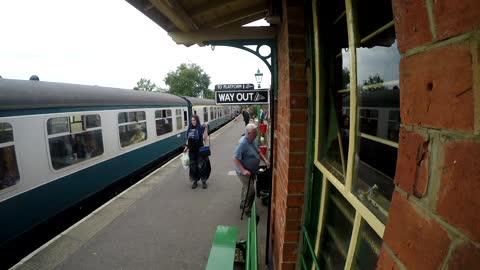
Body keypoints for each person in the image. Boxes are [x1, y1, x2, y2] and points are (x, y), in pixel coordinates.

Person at [233, 123, 270, 217]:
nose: (256, 134)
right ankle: (247, 209)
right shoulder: (243, 143)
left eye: (256, 131)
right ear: (248, 133)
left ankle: (243, 202)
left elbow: (258, 151)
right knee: (251, 191)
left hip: (252, 170)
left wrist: (265, 160)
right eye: (254, 132)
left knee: (246, 187)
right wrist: (244, 170)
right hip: (244, 171)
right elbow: (235, 159)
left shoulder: (254, 140)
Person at [184, 114, 209, 189]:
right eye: (191, 120)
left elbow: (205, 138)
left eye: (194, 120)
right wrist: (186, 147)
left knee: (201, 166)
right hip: (191, 150)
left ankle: (203, 181)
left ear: (197, 120)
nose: (192, 122)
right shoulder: (189, 128)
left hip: (200, 150)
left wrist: (206, 128)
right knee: (193, 166)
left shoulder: (201, 128)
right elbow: (188, 139)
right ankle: (195, 181)